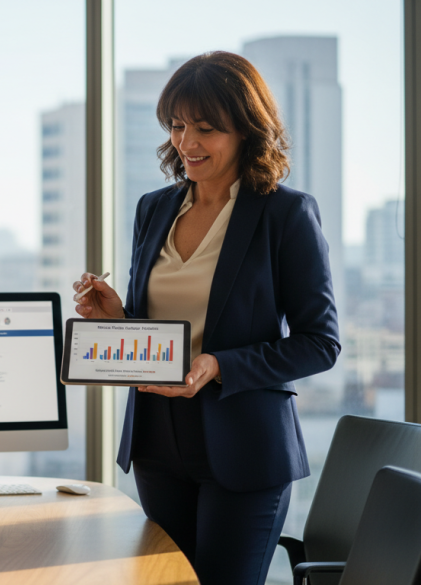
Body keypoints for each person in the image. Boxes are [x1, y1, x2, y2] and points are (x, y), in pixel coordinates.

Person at [74, 52, 340, 585]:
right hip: (157, 444)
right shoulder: (154, 208)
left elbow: (320, 342)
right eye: (176, 125)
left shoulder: (284, 213)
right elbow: (161, 336)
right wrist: (117, 316)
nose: (187, 142)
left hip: (245, 449)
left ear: (246, 129)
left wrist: (219, 364)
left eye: (206, 128)